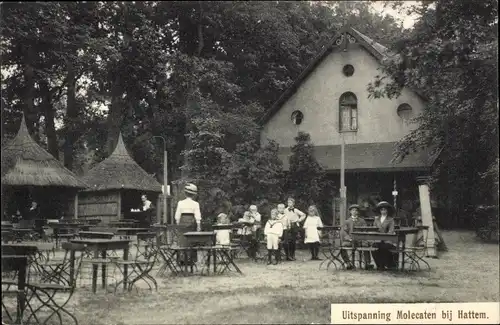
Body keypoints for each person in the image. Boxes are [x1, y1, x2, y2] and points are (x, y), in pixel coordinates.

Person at [174, 183, 202, 265]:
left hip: (182, 222)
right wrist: (198, 226)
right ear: (193, 195)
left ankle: (181, 259)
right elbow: (198, 216)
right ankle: (191, 259)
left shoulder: (180, 203)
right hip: (191, 222)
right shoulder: (195, 204)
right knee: (191, 240)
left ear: (185, 193)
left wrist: (177, 223)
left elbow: (177, 215)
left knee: (182, 240)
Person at [340, 204, 374, 270]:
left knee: (365, 245)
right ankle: (348, 263)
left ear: (358, 212)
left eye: (356, 210)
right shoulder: (347, 221)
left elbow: (365, 230)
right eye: (353, 210)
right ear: (350, 212)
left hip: (360, 240)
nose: (354, 212)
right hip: (350, 241)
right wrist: (348, 238)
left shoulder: (362, 221)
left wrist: (362, 238)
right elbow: (343, 231)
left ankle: (367, 263)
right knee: (342, 246)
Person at [371, 201, 398, 270]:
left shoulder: (391, 219)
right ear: (379, 211)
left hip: (387, 240)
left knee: (384, 247)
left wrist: (385, 237)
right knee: (373, 248)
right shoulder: (376, 219)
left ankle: (385, 264)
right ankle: (379, 265)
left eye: (385, 209)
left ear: (387, 210)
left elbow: (391, 231)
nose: (383, 211)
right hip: (378, 239)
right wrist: (376, 236)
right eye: (382, 210)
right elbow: (374, 229)